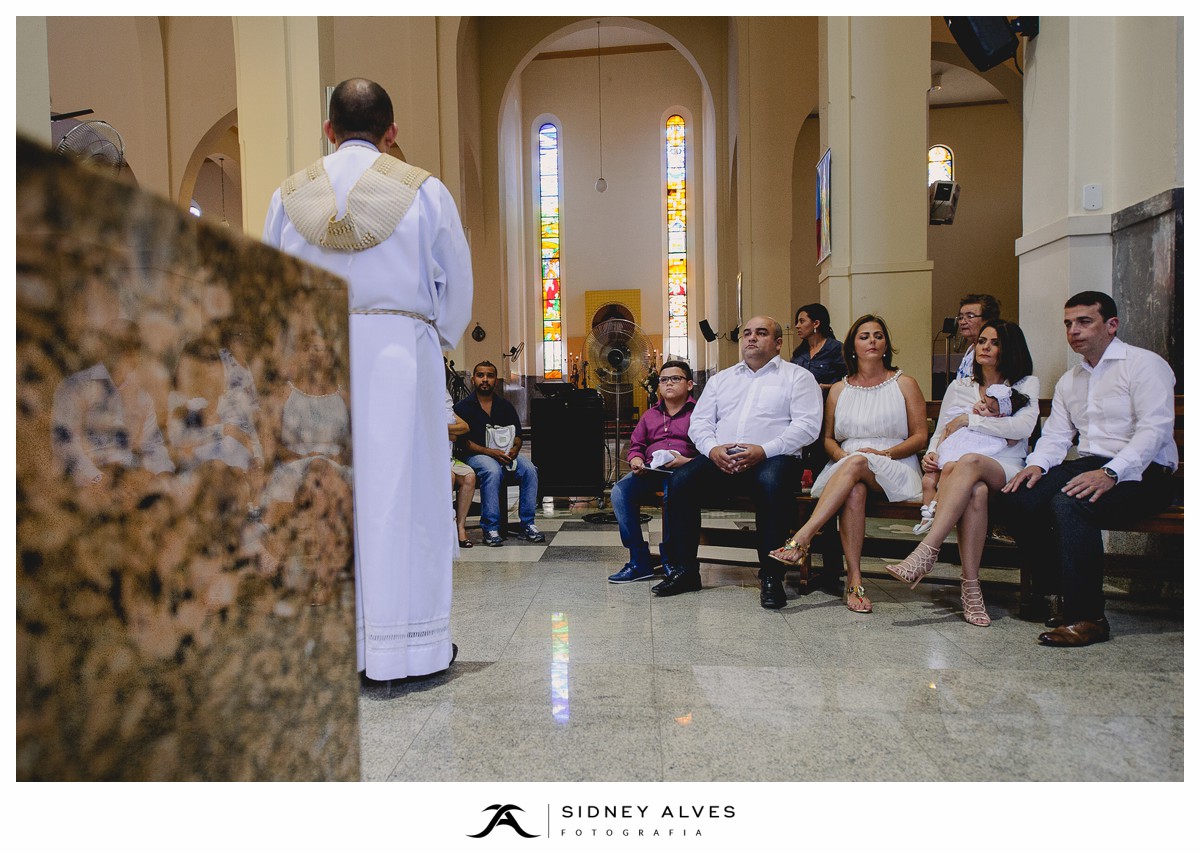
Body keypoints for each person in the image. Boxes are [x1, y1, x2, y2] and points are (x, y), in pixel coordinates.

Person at [263, 78, 472, 680]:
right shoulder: (426, 192)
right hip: (399, 361)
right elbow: (456, 289)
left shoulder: (287, 196)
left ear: (327, 131)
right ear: (392, 132)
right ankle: (407, 650)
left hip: (315, 362)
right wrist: (434, 336)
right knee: (406, 502)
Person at [1000, 292, 1177, 646]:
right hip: (1091, 463)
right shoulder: (1071, 380)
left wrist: (1112, 473)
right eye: (1068, 323)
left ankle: (1088, 617)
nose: (1074, 330)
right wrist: (1035, 465)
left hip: (1146, 471)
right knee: (1015, 498)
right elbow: (1057, 437)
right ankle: (1057, 594)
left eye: (1084, 322)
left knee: (1071, 504)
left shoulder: (1144, 365)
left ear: (1111, 325)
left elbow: (1153, 432)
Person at [652, 316, 822, 609]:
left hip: (775, 458)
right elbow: (700, 422)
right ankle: (685, 571)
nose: (751, 338)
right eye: (747, 333)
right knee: (680, 481)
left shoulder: (797, 377)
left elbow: (807, 426)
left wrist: (764, 450)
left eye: (761, 333)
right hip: (722, 458)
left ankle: (771, 575)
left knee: (771, 483)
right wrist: (712, 449)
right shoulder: (722, 379)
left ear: (778, 343)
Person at [885, 320, 1038, 626]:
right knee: (976, 493)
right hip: (964, 472)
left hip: (1005, 465)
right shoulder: (960, 386)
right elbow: (943, 428)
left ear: (1009, 349)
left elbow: (1022, 429)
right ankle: (971, 588)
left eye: (994, 343)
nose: (985, 347)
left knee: (970, 462)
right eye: (982, 341)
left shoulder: (1023, 384)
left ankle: (927, 550)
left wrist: (970, 421)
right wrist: (931, 453)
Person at [770, 314, 927, 613]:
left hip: (895, 464)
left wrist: (883, 454)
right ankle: (855, 580)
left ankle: (802, 538)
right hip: (848, 467)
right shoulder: (840, 389)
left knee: (856, 466)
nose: (872, 341)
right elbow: (827, 439)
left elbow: (920, 436)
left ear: (886, 344)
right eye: (865, 336)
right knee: (854, 490)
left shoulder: (905, 383)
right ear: (853, 345)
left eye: (878, 336)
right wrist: (844, 458)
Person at [607, 359, 698, 584]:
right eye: (664, 380)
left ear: (689, 384)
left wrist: (687, 461)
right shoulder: (650, 415)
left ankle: (671, 559)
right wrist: (636, 458)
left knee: (673, 492)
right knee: (620, 492)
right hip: (650, 471)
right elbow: (636, 445)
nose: (668, 383)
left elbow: (709, 449)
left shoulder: (699, 413)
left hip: (684, 472)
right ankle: (639, 560)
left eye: (675, 378)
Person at [913, 379, 1031, 534]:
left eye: (990, 409)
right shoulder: (965, 413)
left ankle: (936, 509)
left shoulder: (995, 425)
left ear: (1000, 415)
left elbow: (1014, 437)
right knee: (928, 481)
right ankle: (927, 516)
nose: (982, 407)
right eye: (983, 401)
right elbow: (946, 431)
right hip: (948, 453)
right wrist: (935, 451)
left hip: (963, 462)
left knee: (950, 470)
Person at [454, 360, 544, 547]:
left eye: (490, 375)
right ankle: (491, 528)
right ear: (473, 380)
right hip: (475, 456)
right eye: (480, 375)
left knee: (529, 469)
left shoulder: (505, 406)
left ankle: (528, 524)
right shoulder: (463, 407)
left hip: (505, 454)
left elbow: (518, 435)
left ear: (496, 380)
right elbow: (463, 443)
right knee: (492, 470)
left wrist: (514, 450)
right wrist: (489, 452)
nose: (485, 379)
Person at [445, 389, 475, 550]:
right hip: (429, 457)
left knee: (469, 476)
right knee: (448, 477)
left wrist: (443, 428)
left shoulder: (444, 398)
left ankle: (460, 527)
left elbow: (463, 427)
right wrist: (451, 429)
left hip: (448, 456)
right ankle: (443, 529)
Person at [790, 303, 845, 388]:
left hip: (826, 399)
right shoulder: (799, 352)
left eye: (802, 321)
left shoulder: (835, 348)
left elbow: (852, 380)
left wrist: (828, 387)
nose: (797, 326)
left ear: (816, 323)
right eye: (797, 322)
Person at [954, 293, 1001, 380]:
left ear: (988, 320)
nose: (962, 322)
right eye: (960, 317)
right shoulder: (971, 348)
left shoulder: (990, 353)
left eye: (970, 316)